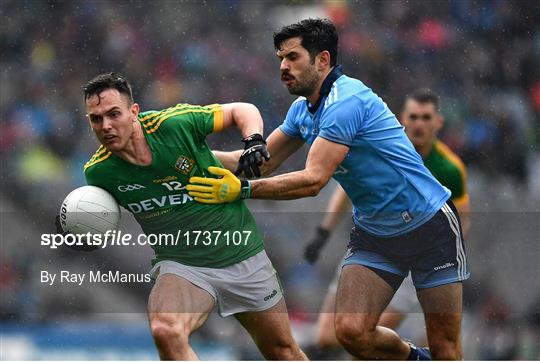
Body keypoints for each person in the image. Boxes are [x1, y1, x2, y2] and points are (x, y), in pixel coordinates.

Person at [188, 19, 469, 360]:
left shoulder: (345, 102)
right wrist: (187, 156)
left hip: (429, 227)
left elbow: (313, 180)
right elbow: (255, 163)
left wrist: (241, 191)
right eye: (280, 58)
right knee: (349, 332)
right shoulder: (301, 111)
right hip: (376, 234)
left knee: (447, 349)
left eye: (292, 57)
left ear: (322, 60)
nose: (283, 67)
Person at [75, 73, 306, 360]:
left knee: (282, 352)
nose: (106, 126)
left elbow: (241, 110)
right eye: (96, 119)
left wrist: (254, 140)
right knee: (165, 330)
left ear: (134, 112)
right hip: (183, 266)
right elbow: (98, 220)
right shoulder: (98, 173)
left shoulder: (174, 124)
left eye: (113, 114)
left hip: (242, 255)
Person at [304, 89, 471, 352]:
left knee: (377, 339)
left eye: (426, 118)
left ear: (438, 122)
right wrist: (324, 232)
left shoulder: (450, 168)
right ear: (403, 118)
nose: (419, 124)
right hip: (375, 243)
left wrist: (444, 264)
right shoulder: (384, 143)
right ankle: (413, 356)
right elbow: (347, 186)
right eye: (413, 117)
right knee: (329, 337)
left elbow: (463, 220)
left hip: (423, 249)